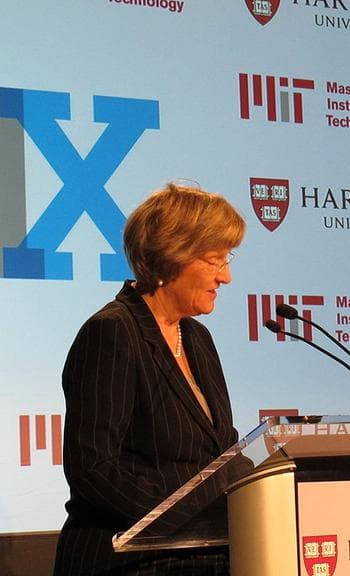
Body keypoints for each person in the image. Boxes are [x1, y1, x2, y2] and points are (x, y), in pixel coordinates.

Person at [53, 182, 248, 576]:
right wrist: (181, 516)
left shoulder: (196, 337)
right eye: (215, 260)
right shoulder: (113, 332)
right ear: (173, 256)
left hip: (201, 558)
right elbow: (93, 468)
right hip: (126, 560)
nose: (226, 277)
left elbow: (220, 451)